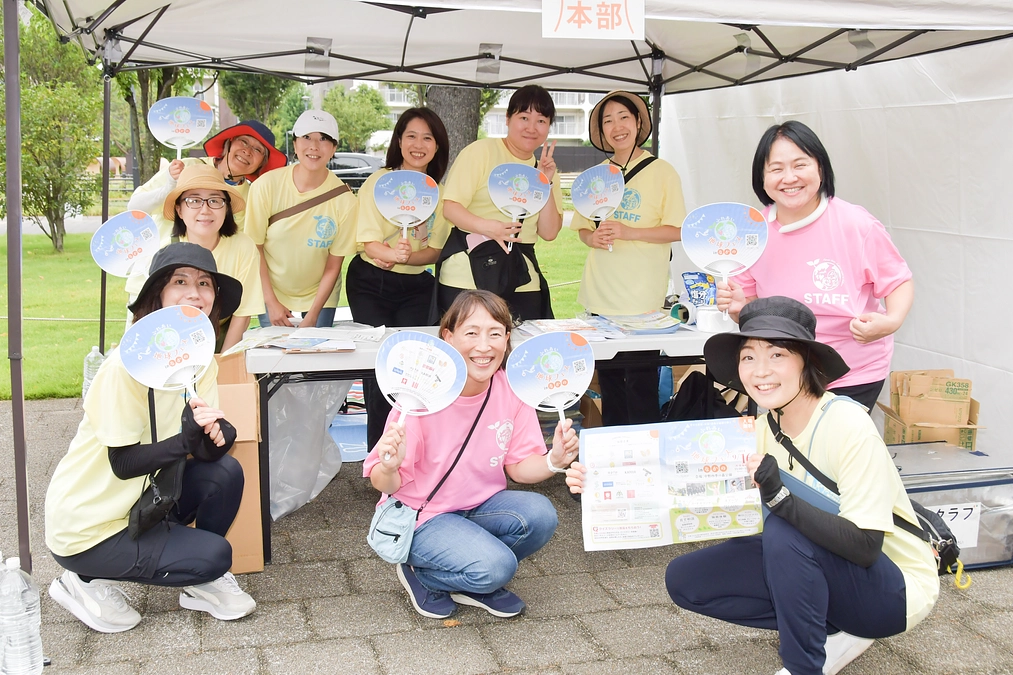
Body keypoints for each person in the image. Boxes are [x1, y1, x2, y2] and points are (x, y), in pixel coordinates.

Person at [564, 297, 938, 675]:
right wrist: (597, 484)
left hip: (894, 590)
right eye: (748, 357)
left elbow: (865, 546)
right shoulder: (758, 429)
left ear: (806, 362)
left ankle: (803, 665)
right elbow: (668, 477)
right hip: (827, 566)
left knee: (782, 531)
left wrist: (781, 499)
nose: (761, 371)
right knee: (686, 581)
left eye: (777, 355)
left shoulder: (848, 424)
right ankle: (832, 624)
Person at [46, 242, 257, 633]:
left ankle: (196, 582)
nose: (195, 292)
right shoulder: (124, 368)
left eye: (205, 283)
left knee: (226, 471)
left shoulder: (199, 362)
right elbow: (123, 463)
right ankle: (85, 580)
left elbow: (206, 455)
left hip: (144, 502)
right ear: (157, 294)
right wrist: (185, 442)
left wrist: (218, 437)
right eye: (180, 281)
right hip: (90, 525)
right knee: (216, 555)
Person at [364, 290, 579, 619]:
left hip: (479, 507)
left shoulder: (510, 388)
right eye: (471, 333)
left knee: (541, 515)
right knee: (497, 568)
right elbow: (384, 482)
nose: (484, 346)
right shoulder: (422, 397)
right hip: (423, 517)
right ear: (448, 337)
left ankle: (467, 577)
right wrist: (390, 467)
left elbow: (520, 469)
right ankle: (423, 573)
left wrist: (555, 460)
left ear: (507, 339)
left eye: (495, 333)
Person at [718, 120, 914, 411]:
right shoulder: (751, 232)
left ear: (820, 168)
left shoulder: (856, 224)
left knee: (833, 450)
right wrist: (739, 308)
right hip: (783, 371)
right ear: (761, 177)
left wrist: (891, 321)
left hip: (852, 370)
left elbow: (897, 281)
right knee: (789, 452)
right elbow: (749, 307)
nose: (789, 178)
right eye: (776, 169)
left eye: (800, 165)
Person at [570, 91, 686, 426]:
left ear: (638, 123)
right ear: (601, 131)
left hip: (642, 299)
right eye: (607, 121)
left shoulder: (663, 171)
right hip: (600, 293)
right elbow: (582, 231)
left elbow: (678, 229)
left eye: (624, 117)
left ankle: (644, 459)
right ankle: (614, 459)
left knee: (641, 384)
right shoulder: (595, 177)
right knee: (609, 383)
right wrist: (594, 237)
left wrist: (629, 232)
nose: (616, 126)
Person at [348, 107, 452, 451]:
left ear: (438, 147)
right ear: (398, 141)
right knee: (378, 370)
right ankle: (379, 456)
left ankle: (411, 451)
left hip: (415, 288)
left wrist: (407, 257)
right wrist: (390, 254)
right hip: (369, 283)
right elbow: (367, 239)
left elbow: (434, 251)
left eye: (427, 138)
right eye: (411, 136)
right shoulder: (379, 181)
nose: (418, 145)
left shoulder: (438, 191)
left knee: (411, 371)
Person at [434, 85, 565, 322]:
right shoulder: (481, 152)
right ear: (508, 119)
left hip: (521, 275)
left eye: (541, 120)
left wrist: (545, 182)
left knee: (523, 349)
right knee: (467, 347)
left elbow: (549, 232)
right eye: (524, 117)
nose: (531, 128)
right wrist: (488, 227)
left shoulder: (546, 168)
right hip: (468, 272)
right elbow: (451, 208)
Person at [126, 164, 264, 351]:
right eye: (194, 201)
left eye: (215, 201)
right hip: (162, 341)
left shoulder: (243, 246)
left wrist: (222, 363)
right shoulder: (161, 247)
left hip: (217, 338)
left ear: (227, 208)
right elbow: (141, 312)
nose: (205, 210)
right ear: (179, 210)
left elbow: (243, 313)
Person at [245, 109, 357, 328]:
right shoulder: (266, 186)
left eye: (323, 139)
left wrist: (313, 316)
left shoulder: (346, 201)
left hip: (320, 297)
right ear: (295, 144)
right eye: (306, 137)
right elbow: (254, 249)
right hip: (272, 290)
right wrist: (271, 302)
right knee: (275, 358)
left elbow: (334, 265)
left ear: (334, 148)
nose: (314, 146)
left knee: (315, 359)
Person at [126, 119, 286, 239]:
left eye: (258, 149)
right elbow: (134, 208)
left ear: (262, 162)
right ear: (229, 143)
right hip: (161, 274)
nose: (247, 151)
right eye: (243, 141)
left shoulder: (254, 197)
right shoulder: (186, 167)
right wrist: (169, 187)